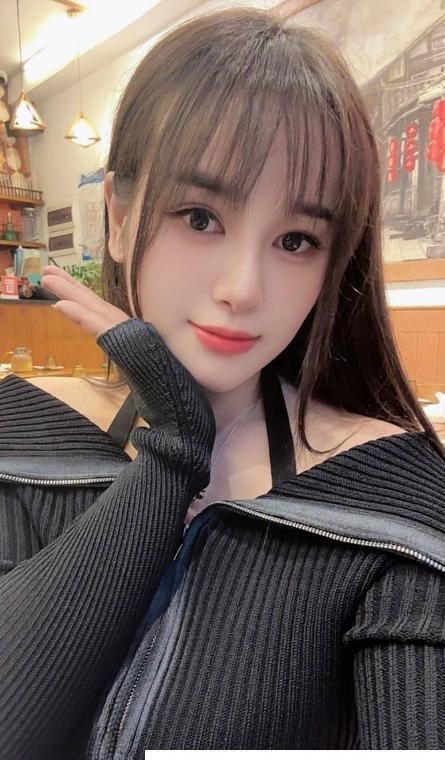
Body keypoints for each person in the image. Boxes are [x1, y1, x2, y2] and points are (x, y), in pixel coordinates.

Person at [1, 6, 444, 758]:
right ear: (118, 217)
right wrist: (174, 449)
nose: (243, 289)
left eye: (296, 240)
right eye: (200, 217)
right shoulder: (21, 435)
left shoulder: (395, 498)